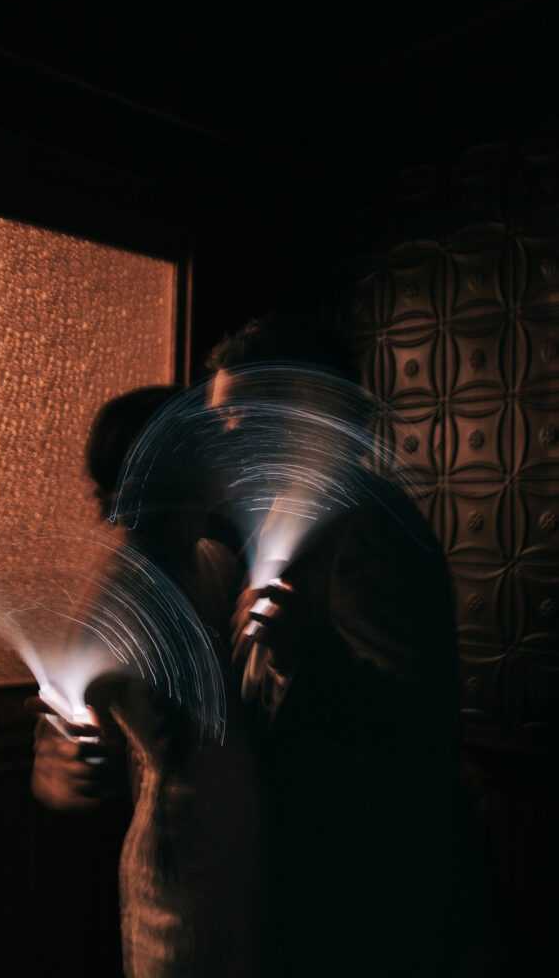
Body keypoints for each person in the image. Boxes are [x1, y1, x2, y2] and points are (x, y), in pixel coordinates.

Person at [209, 312, 492, 976]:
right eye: (219, 420)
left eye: (242, 417)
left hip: (365, 893)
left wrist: (301, 655)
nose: (222, 440)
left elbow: (417, 726)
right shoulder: (275, 518)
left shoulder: (364, 521)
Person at [28, 386, 268, 978]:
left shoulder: (214, 560)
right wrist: (62, 764)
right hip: (182, 866)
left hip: (248, 849)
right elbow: (59, 742)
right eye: (201, 439)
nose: (224, 449)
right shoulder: (123, 596)